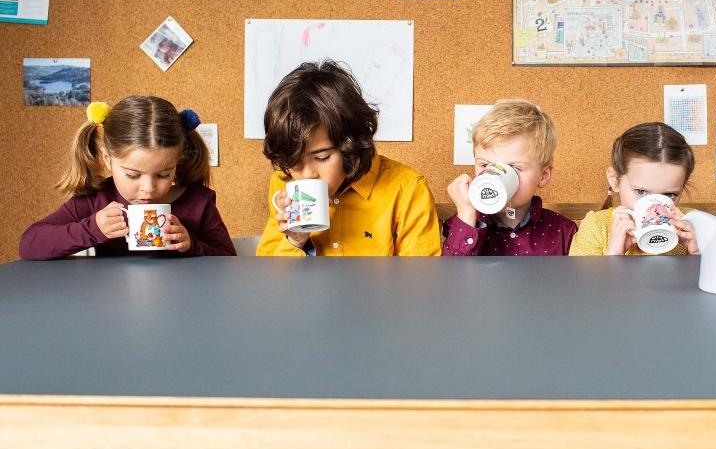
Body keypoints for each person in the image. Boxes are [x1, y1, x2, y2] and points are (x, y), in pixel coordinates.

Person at [258, 60, 441, 256]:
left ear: (350, 144)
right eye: (293, 162)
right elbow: (272, 280)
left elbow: (421, 280)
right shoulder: (283, 185)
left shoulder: (407, 188)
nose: (307, 175)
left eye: (322, 157)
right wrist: (295, 241)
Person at [20, 97, 235, 259]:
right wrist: (92, 229)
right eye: (133, 174)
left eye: (163, 174)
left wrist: (192, 246)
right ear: (107, 159)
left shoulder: (199, 202)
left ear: (177, 162)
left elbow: (228, 260)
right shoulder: (98, 199)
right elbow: (29, 243)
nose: (148, 188)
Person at [443, 99, 577, 255]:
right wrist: (466, 215)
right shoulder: (462, 224)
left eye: (514, 167)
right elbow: (452, 277)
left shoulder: (563, 231)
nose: (497, 177)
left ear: (543, 176)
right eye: (486, 166)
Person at [569, 122, 698, 256]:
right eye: (641, 192)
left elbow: (714, 274)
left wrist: (697, 255)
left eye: (669, 195)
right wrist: (612, 255)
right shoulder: (595, 226)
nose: (655, 208)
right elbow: (579, 277)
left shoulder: (693, 225)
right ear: (615, 180)